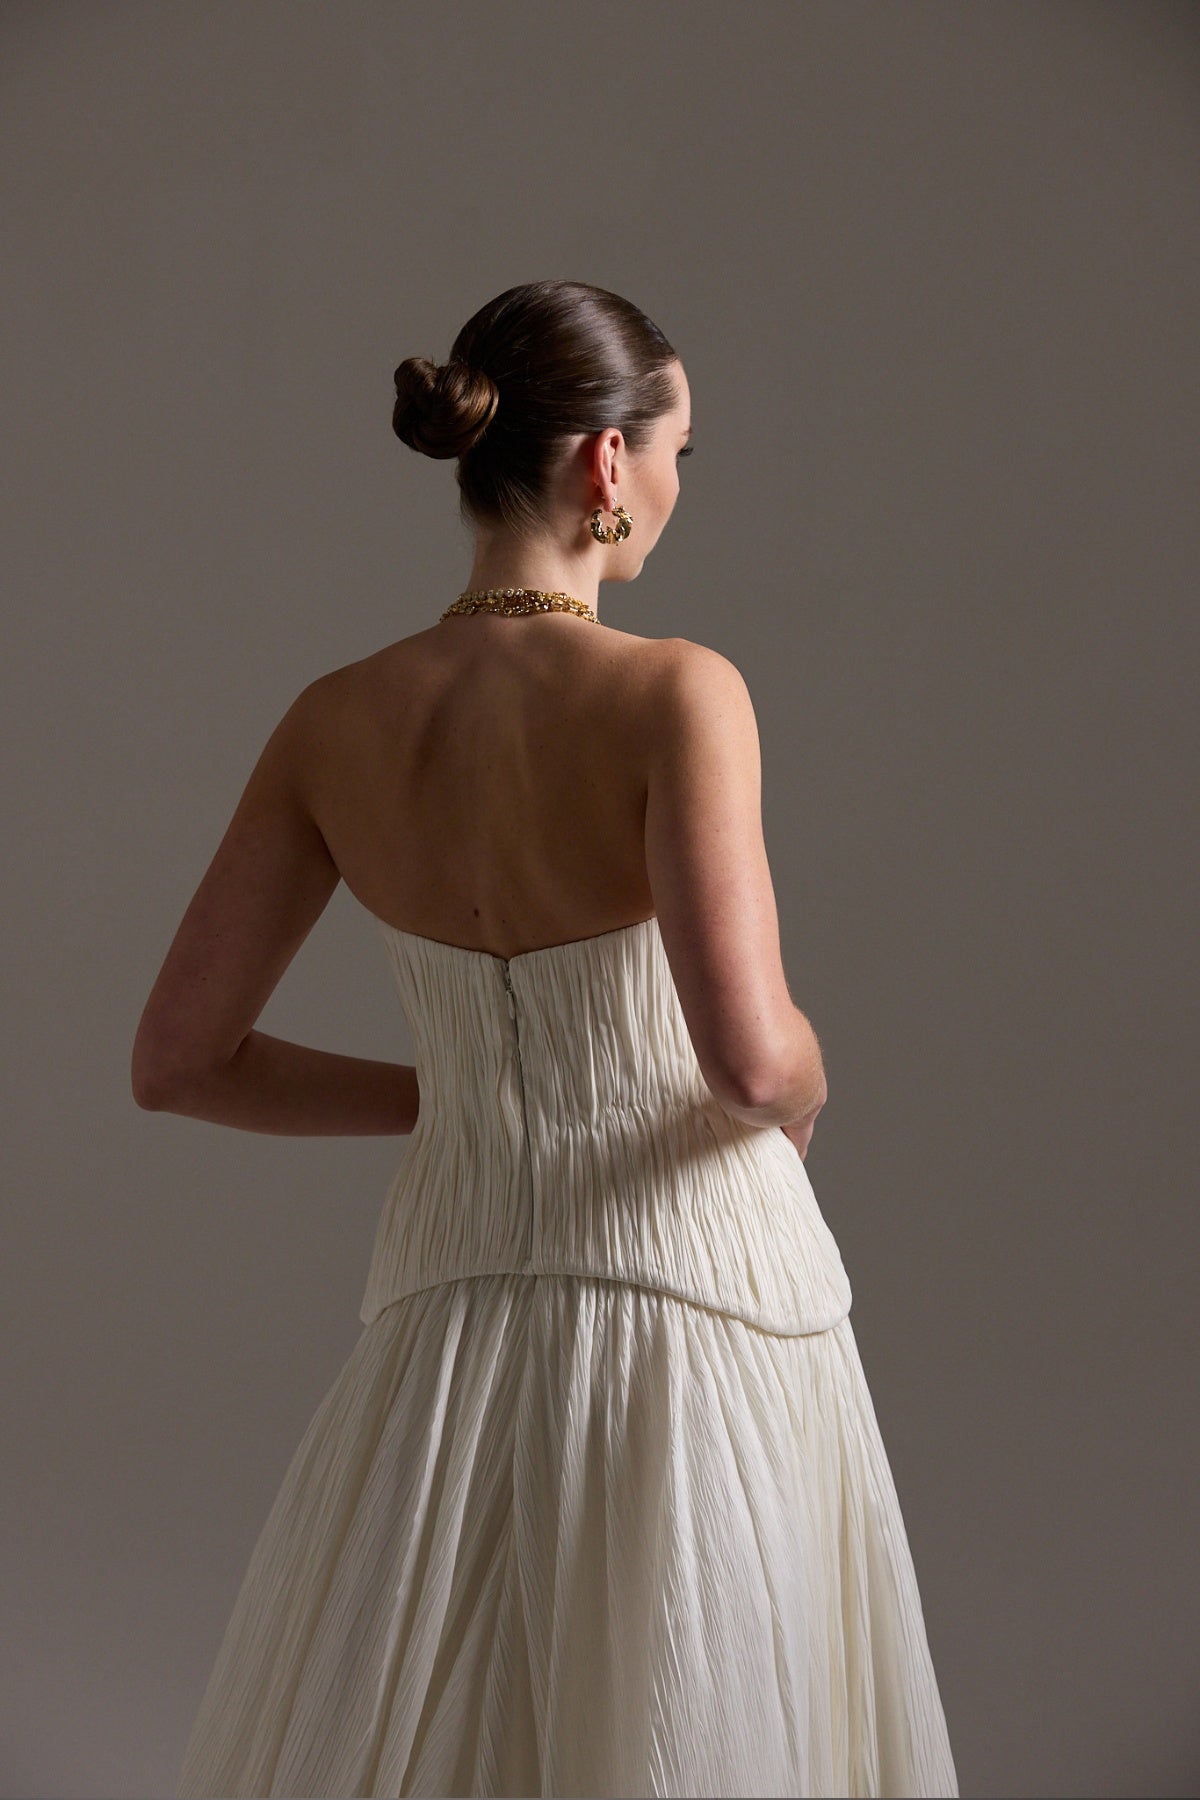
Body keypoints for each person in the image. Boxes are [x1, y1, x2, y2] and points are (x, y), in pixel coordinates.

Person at [134, 278, 958, 1798]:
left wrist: (463, 1102)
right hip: (694, 1301)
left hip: (451, 1316)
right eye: (677, 454)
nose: (671, 493)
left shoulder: (335, 719)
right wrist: (816, 1073)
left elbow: (181, 1059)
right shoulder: (678, 693)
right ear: (602, 463)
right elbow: (753, 1062)